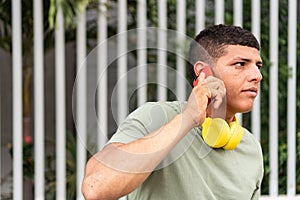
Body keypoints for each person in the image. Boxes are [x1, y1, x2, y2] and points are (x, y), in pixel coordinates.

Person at [82, 24, 264, 200]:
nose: (257, 75)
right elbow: (95, 187)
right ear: (205, 72)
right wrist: (187, 119)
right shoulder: (156, 117)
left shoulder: (250, 148)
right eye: (241, 64)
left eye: (258, 65)